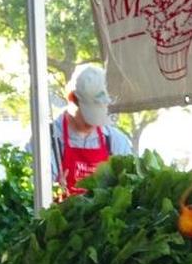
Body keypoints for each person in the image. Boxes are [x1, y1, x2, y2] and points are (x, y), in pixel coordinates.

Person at [49, 64, 132, 195]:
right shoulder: (48, 142)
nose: (93, 124)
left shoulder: (116, 141)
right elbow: (30, 195)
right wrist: (52, 191)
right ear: (71, 98)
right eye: (89, 115)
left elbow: (130, 186)